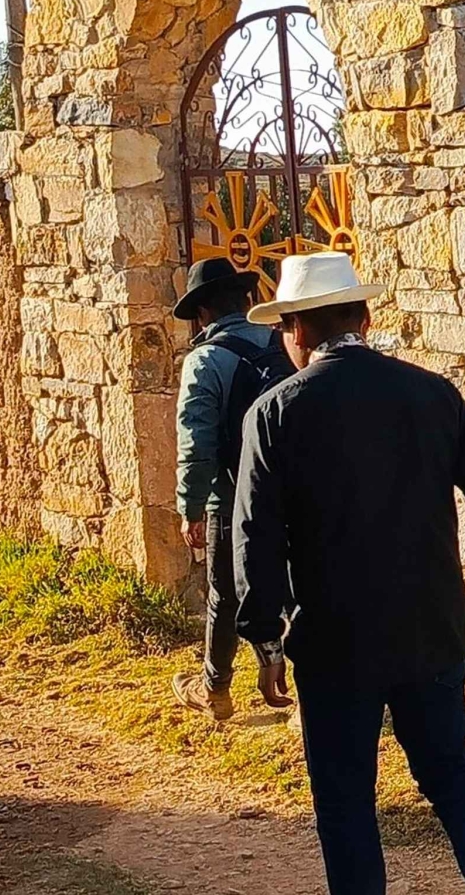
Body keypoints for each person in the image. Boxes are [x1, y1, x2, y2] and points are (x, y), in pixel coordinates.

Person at [233, 252, 465, 895]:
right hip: (432, 626)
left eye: (284, 329)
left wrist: (267, 639)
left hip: (335, 642)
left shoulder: (275, 413)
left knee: (344, 796)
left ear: (297, 330)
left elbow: (256, 535)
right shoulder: (431, 393)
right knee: (450, 770)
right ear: (363, 318)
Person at [170, 257, 296, 721]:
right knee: (298, 588)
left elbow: (196, 442)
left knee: (224, 593)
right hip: (293, 490)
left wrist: (191, 507)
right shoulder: (285, 343)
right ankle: (309, 688)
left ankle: (216, 688)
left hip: (231, 496)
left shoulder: (205, 361)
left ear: (202, 313)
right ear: (246, 300)